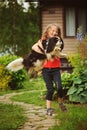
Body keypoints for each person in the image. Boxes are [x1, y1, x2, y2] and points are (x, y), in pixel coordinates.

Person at [32, 23, 68, 116]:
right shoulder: (42, 41)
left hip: (56, 69)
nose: (55, 32)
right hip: (45, 70)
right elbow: (34, 47)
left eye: (56, 31)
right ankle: (48, 109)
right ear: (47, 32)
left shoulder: (58, 41)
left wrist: (57, 42)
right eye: (52, 30)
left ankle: (61, 103)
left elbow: (58, 48)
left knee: (59, 87)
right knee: (50, 89)